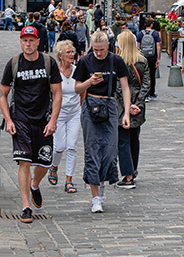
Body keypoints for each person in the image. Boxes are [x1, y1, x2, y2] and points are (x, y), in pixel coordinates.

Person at [0, 25, 62, 223]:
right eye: (24, 40)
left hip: (43, 120)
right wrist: (8, 120)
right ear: (21, 41)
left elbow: (57, 93)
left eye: (31, 40)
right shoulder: (14, 63)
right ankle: (26, 206)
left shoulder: (48, 62)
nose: (28, 44)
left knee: (44, 162)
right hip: (20, 120)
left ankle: (35, 184)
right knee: (24, 161)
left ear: (37, 42)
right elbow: (3, 94)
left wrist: (53, 120)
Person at [73, 31, 131, 213]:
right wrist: (90, 81)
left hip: (110, 103)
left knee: (110, 150)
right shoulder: (85, 61)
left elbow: (125, 87)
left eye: (101, 49)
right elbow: (76, 88)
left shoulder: (117, 60)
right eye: (95, 49)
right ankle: (95, 197)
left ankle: (103, 184)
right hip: (91, 103)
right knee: (92, 149)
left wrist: (127, 113)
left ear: (108, 46)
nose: (98, 53)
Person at [115, 29, 150, 188]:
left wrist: (128, 106)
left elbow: (118, 88)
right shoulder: (142, 60)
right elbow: (147, 84)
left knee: (123, 140)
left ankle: (128, 176)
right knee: (134, 139)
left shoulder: (118, 61)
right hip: (138, 104)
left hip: (122, 106)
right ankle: (134, 169)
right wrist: (139, 103)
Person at [49, 40, 81, 194]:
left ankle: (69, 180)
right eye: (68, 52)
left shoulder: (77, 70)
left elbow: (82, 91)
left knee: (72, 146)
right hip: (59, 113)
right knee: (59, 146)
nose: (71, 54)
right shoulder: (55, 72)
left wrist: (79, 107)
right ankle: (54, 167)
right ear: (60, 55)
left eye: (72, 51)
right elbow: (50, 93)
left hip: (75, 112)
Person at [136, 18, 161, 101]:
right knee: (152, 75)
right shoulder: (155, 34)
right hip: (152, 57)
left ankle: (144, 94)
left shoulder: (140, 34)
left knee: (143, 75)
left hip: (143, 57)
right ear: (151, 25)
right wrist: (158, 58)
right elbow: (158, 46)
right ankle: (151, 93)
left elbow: (138, 46)